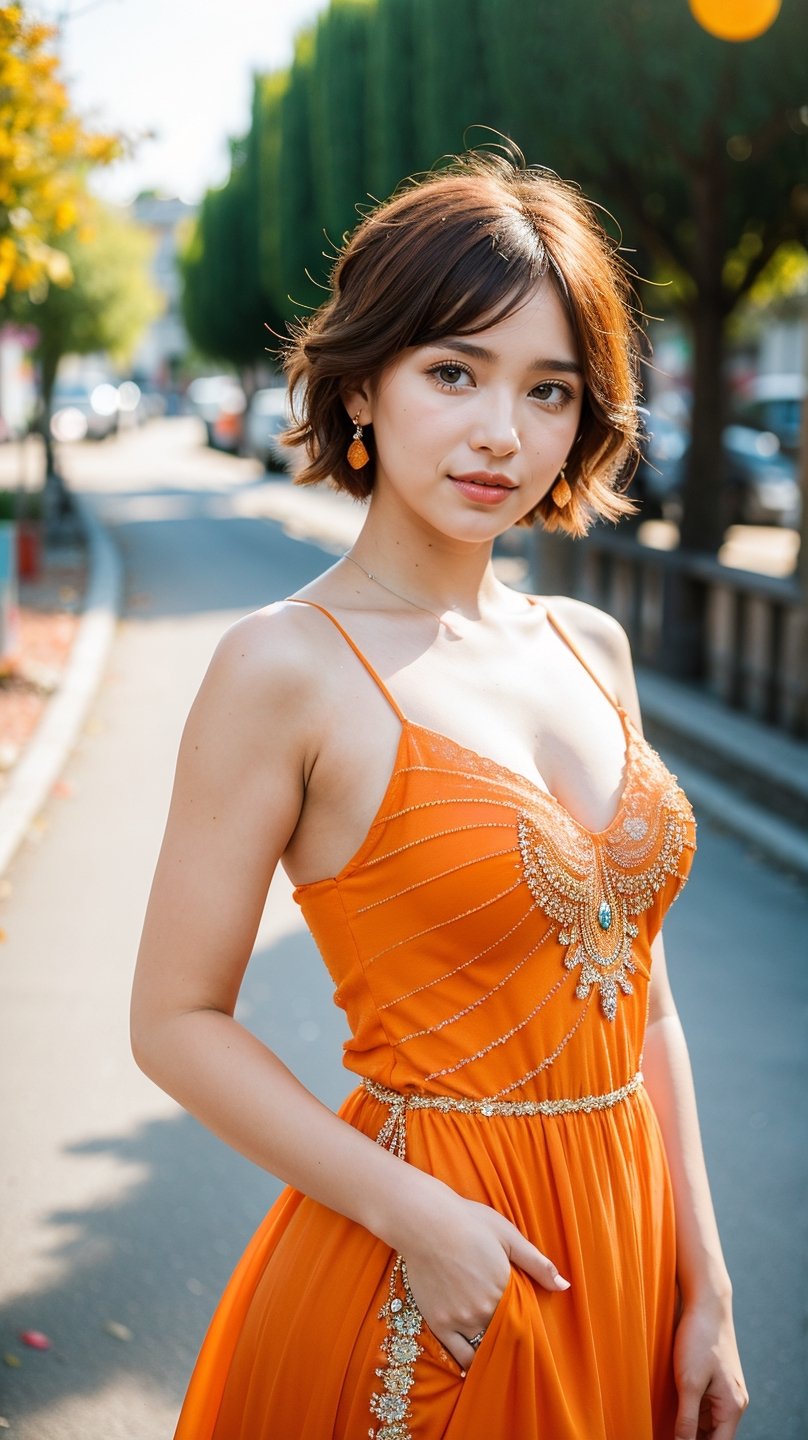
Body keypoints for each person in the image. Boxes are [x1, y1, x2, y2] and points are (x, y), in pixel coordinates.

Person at [130, 145, 748, 1440]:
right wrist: (417, 1216)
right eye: (453, 371)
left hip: (626, 1246)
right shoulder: (284, 666)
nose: (499, 434)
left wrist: (709, 1277)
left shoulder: (591, 644)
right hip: (434, 1269)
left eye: (549, 390)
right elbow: (175, 1020)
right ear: (363, 382)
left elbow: (645, 994)